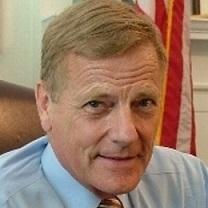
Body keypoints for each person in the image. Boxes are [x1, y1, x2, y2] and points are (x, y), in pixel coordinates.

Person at [0, 0, 207, 207]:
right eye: (96, 105)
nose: (126, 135)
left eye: (144, 103)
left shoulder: (188, 182)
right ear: (45, 105)